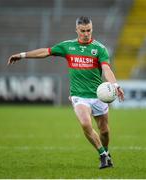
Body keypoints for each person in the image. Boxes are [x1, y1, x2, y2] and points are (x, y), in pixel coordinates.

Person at [7, 16, 124, 169]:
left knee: (105, 131)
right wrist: (22, 55)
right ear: (76, 30)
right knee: (85, 123)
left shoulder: (99, 48)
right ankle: (102, 154)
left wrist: (115, 85)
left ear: (92, 29)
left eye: (88, 30)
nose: (86, 34)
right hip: (78, 95)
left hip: (98, 95)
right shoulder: (68, 46)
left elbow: (107, 69)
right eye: (82, 31)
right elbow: (46, 52)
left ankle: (107, 151)